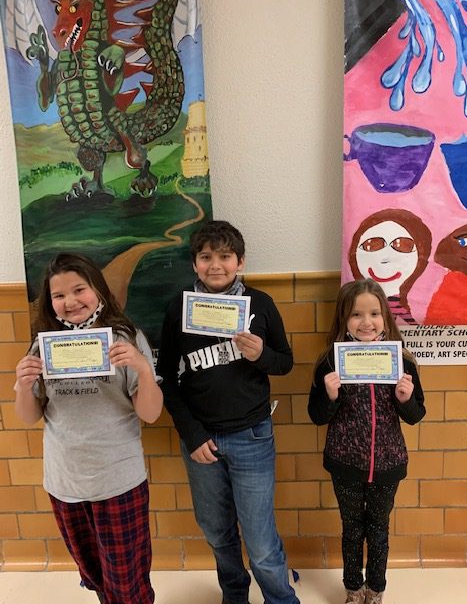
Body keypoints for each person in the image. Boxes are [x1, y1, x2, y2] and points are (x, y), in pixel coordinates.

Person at [157, 220, 300, 604]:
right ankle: (235, 595)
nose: (215, 265)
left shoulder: (260, 304)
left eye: (225, 256)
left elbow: (285, 363)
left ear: (240, 262)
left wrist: (262, 355)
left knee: (260, 539)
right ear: (194, 264)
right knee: (217, 531)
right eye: (206, 257)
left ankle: (281, 599)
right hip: (201, 440)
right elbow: (165, 378)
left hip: (252, 435)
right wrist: (192, 434)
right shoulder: (179, 308)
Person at [14, 253, 163, 604]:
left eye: (79, 290)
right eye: (59, 295)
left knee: (128, 584)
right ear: (50, 302)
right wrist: (22, 386)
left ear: (97, 289)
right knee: (95, 576)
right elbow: (29, 416)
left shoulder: (126, 338)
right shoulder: (43, 345)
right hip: (65, 483)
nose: (70, 301)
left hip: (118, 481)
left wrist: (143, 369)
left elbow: (151, 414)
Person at [308, 279, 425, 604]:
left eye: (374, 313)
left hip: (388, 465)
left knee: (378, 530)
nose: (366, 322)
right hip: (345, 464)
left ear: (386, 317)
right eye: (356, 314)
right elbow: (316, 415)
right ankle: (352, 589)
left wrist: (405, 399)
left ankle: (375, 590)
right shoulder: (330, 362)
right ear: (343, 318)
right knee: (351, 529)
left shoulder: (403, 361)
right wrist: (330, 396)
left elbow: (416, 415)